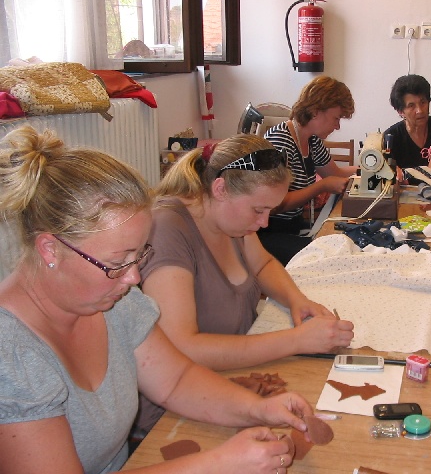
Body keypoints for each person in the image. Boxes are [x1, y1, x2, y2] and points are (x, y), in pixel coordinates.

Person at [0, 126, 313, 474]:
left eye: (138, 256)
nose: (134, 278)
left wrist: (257, 408)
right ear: (50, 249)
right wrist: (221, 462)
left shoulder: (112, 300)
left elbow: (176, 380)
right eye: (118, 262)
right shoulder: (11, 355)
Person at [136, 133, 354, 434]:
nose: (264, 223)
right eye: (258, 210)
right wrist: (296, 341)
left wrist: (297, 300)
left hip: (232, 376)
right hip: (176, 410)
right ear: (221, 189)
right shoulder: (167, 230)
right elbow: (182, 348)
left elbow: (262, 265)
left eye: (269, 211)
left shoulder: (231, 218)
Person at [261, 75, 357, 265]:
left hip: (293, 226)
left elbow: (336, 174)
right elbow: (274, 204)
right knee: (330, 258)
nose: (337, 126)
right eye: (336, 118)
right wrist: (321, 186)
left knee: (344, 243)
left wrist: (370, 169)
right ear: (315, 111)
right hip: (268, 233)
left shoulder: (312, 141)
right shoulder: (280, 141)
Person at [383, 74, 431, 171]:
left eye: (423, 102)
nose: (420, 111)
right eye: (411, 106)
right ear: (400, 111)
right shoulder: (391, 138)